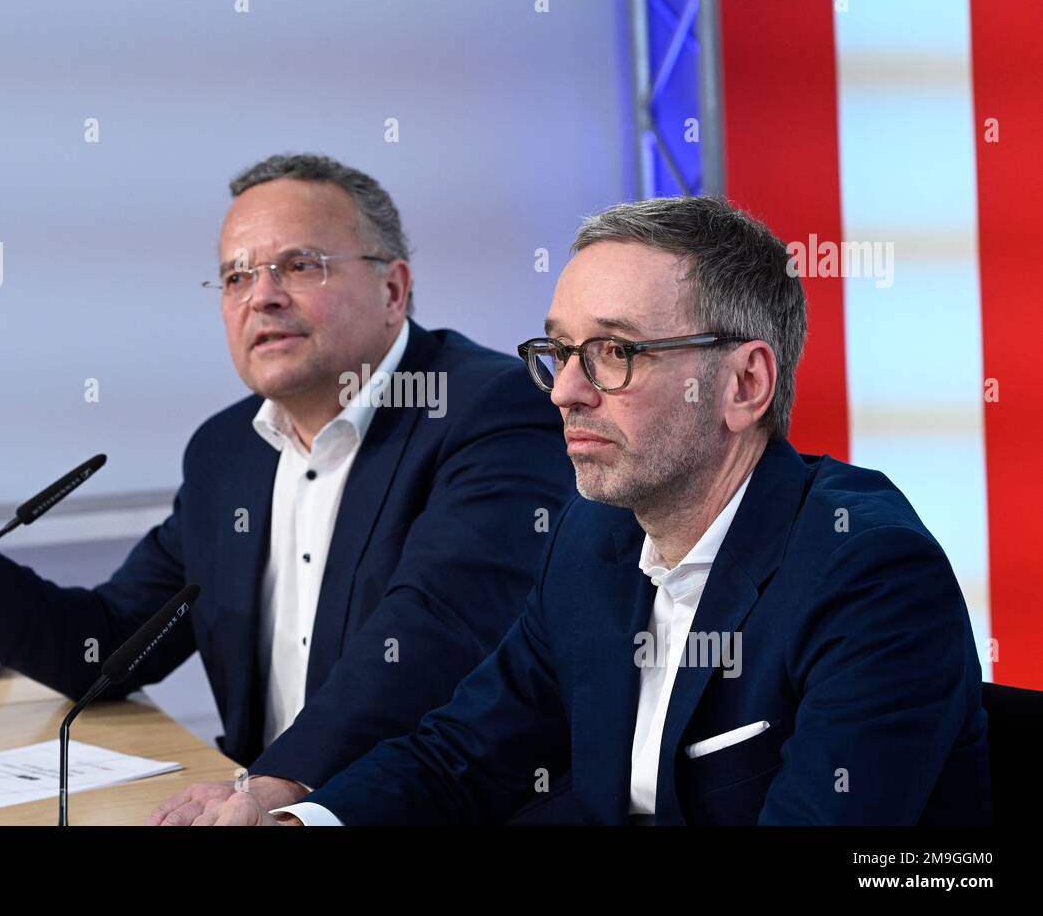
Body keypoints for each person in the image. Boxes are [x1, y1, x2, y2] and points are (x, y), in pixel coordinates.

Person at [188, 195, 991, 826]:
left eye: (615, 353)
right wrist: (297, 820)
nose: (566, 391)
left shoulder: (869, 572)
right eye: (558, 351)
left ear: (744, 385)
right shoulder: (595, 536)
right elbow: (463, 753)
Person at [0, 153, 574, 820]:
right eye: (236, 276)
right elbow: (115, 641)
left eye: (300, 264)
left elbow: (431, 637)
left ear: (393, 289)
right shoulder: (227, 451)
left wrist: (277, 781)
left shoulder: (486, 409)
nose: (263, 296)